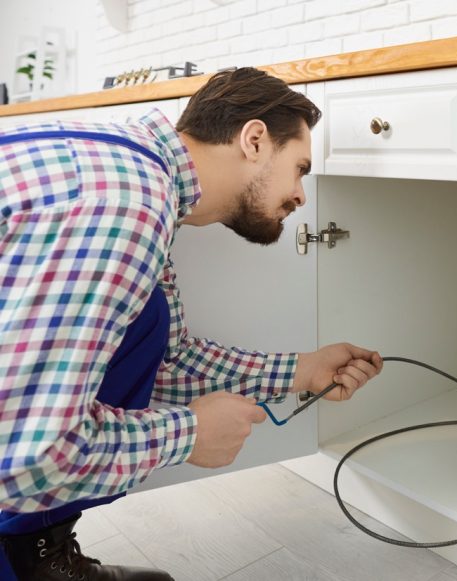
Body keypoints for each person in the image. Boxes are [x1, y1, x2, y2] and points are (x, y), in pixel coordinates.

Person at [0, 67, 383, 581]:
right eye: (298, 169)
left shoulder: (141, 172)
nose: (300, 197)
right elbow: (23, 458)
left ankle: (27, 550)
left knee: (146, 319)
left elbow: (168, 360)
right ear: (253, 139)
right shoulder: (126, 203)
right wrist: (185, 434)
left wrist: (302, 370)